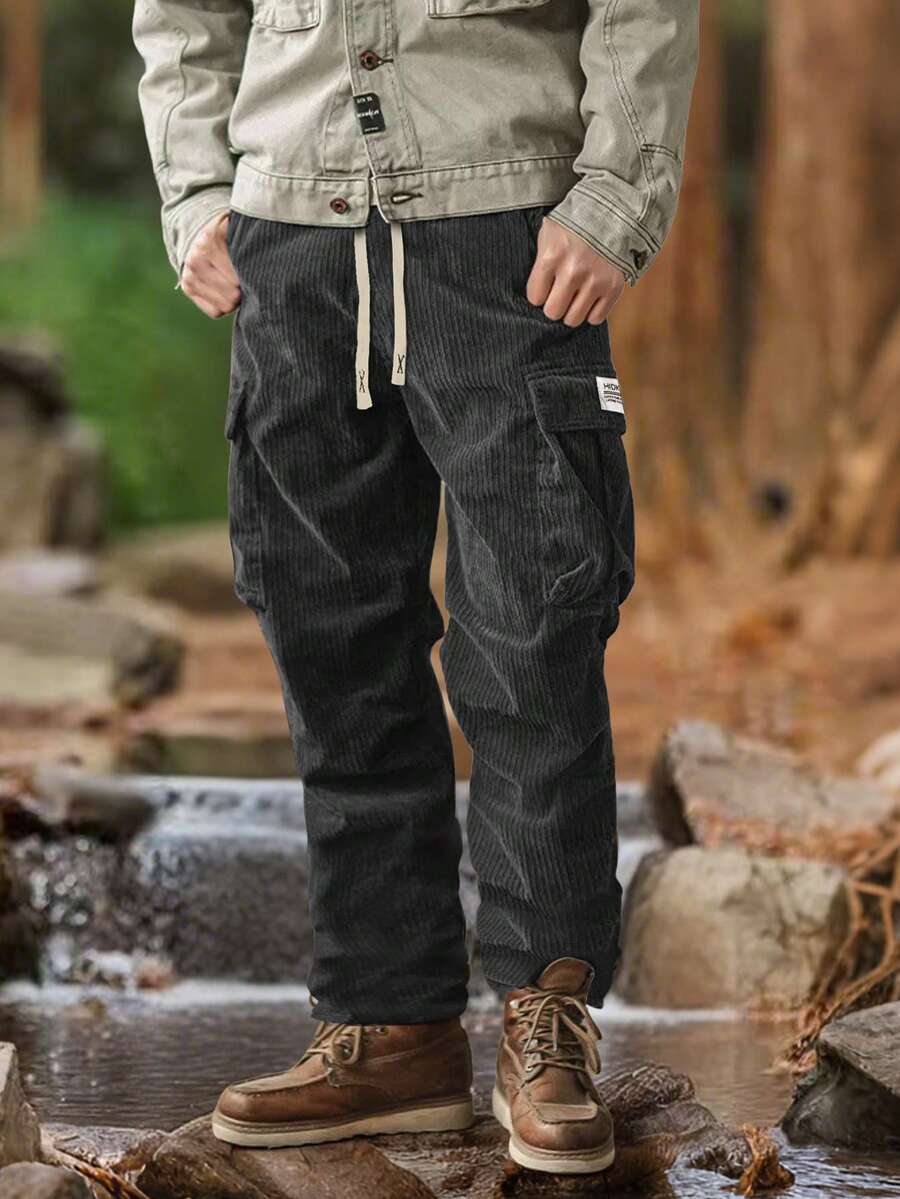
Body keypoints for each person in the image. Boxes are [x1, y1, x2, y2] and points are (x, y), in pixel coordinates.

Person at [133, 0, 697, 1175]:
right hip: (290, 244)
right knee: (332, 640)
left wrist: (614, 196)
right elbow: (181, 13)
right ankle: (389, 1027)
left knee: (532, 633)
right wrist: (194, 191)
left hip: (510, 239)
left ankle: (547, 1022)